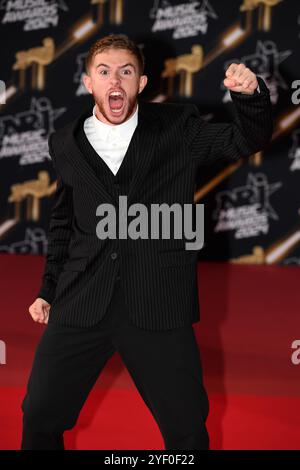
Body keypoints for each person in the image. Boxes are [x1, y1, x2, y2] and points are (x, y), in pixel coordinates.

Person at [21, 34, 272, 450]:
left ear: (141, 82)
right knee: (39, 417)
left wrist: (251, 97)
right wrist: (48, 289)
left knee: (187, 430)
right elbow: (64, 222)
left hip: (158, 302)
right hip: (81, 300)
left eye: (126, 71)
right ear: (89, 82)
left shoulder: (177, 128)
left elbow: (246, 140)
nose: (115, 80)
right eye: (104, 72)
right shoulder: (64, 142)